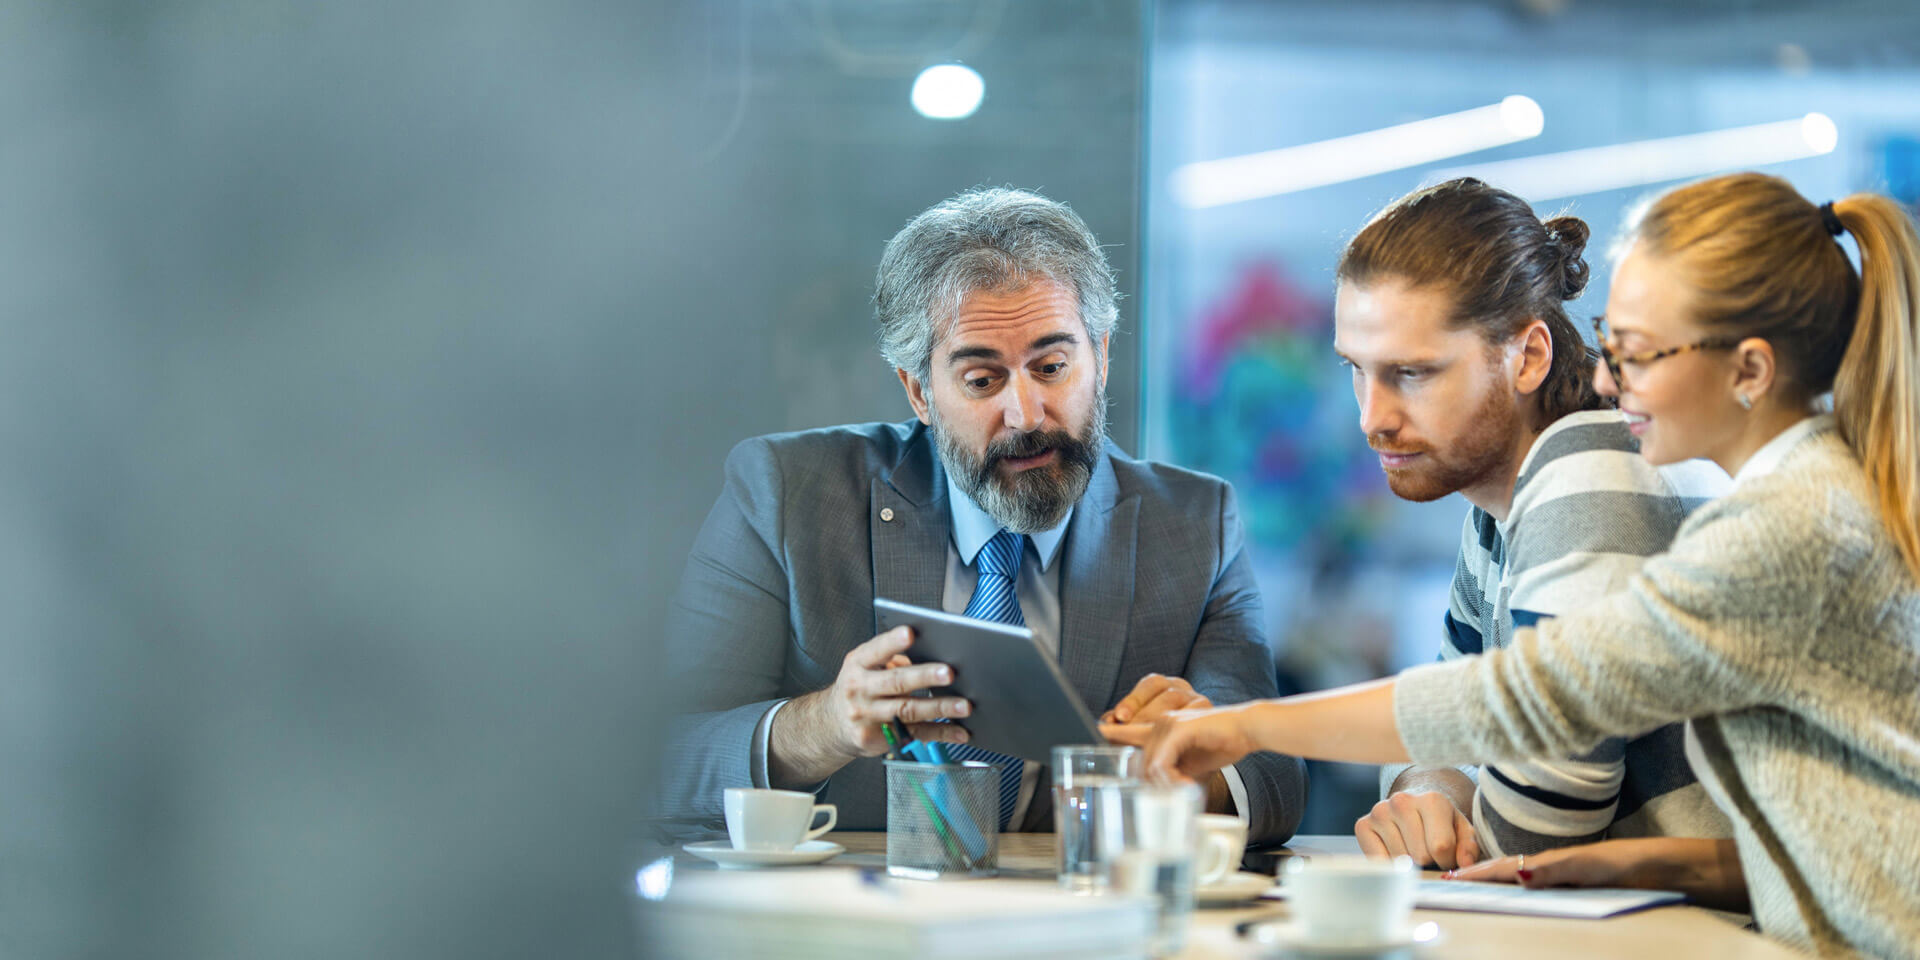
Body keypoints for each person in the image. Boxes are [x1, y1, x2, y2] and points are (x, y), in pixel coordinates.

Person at [1110, 173, 1920, 958]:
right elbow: (1824, 818)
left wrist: (1241, 725)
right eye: (1609, 343)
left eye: (1638, 353)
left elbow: (1530, 704)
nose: (1607, 380)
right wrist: (1622, 860)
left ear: (1748, 371)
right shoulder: (1796, 502)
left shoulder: (1778, 527)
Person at [657, 187, 1307, 842]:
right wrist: (822, 725)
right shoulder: (785, 494)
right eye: (982, 381)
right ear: (919, 390)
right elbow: (655, 759)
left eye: (1053, 367)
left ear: (1102, 357)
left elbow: (1274, 780)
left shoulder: (1194, 526)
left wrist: (1189, 771)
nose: (1025, 414)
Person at [1333, 178, 1730, 869]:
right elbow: (1443, 724)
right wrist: (1427, 789)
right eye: (1358, 372)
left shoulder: (1597, 473)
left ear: (1530, 356)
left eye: (1413, 374)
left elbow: (1537, 836)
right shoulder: (1501, 503)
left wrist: (1451, 805)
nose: (1372, 418)